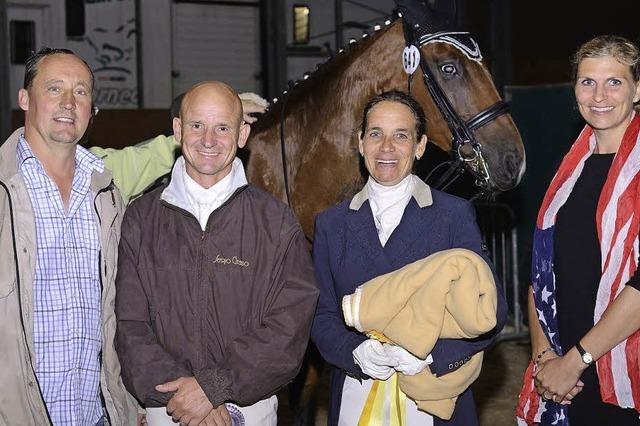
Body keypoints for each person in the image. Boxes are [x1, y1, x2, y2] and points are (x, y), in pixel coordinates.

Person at [114, 81, 318, 426]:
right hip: (167, 409)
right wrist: (183, 397)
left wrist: (213, 388)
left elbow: (289, 326)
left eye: (222, 128)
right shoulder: (141, 218)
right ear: (178, 129)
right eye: (197, 126)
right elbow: (129, 326)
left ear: (242, 135)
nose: (208, 141)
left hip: (247, 410)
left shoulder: (275, 222)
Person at [310, 90, 507, 426]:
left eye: (401, 135)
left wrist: (429, 353)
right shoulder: (331, 223)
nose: (387, 148)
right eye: (376, 134)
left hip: (432, 393)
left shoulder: (452, 215)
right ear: (360, 143)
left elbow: (492, 309)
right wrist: (353, 352)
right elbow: (320, 312)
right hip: (358, 392)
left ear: (420, 146)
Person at [0, 47, 139, 425]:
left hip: (97, 415)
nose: (68, 102)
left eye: (81, 92)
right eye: (55, 88)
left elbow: (120, 312)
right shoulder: (4, 189)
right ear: (25, 98)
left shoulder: (108, 195)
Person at [516, 35, 640, 425]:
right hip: (565, 381)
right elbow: (541, 272)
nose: (599, 95)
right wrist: (545, 359)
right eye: (588, 82)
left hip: (623, 376)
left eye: (614, 82)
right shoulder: (568, 170)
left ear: (638, 89)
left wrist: (576, 360)